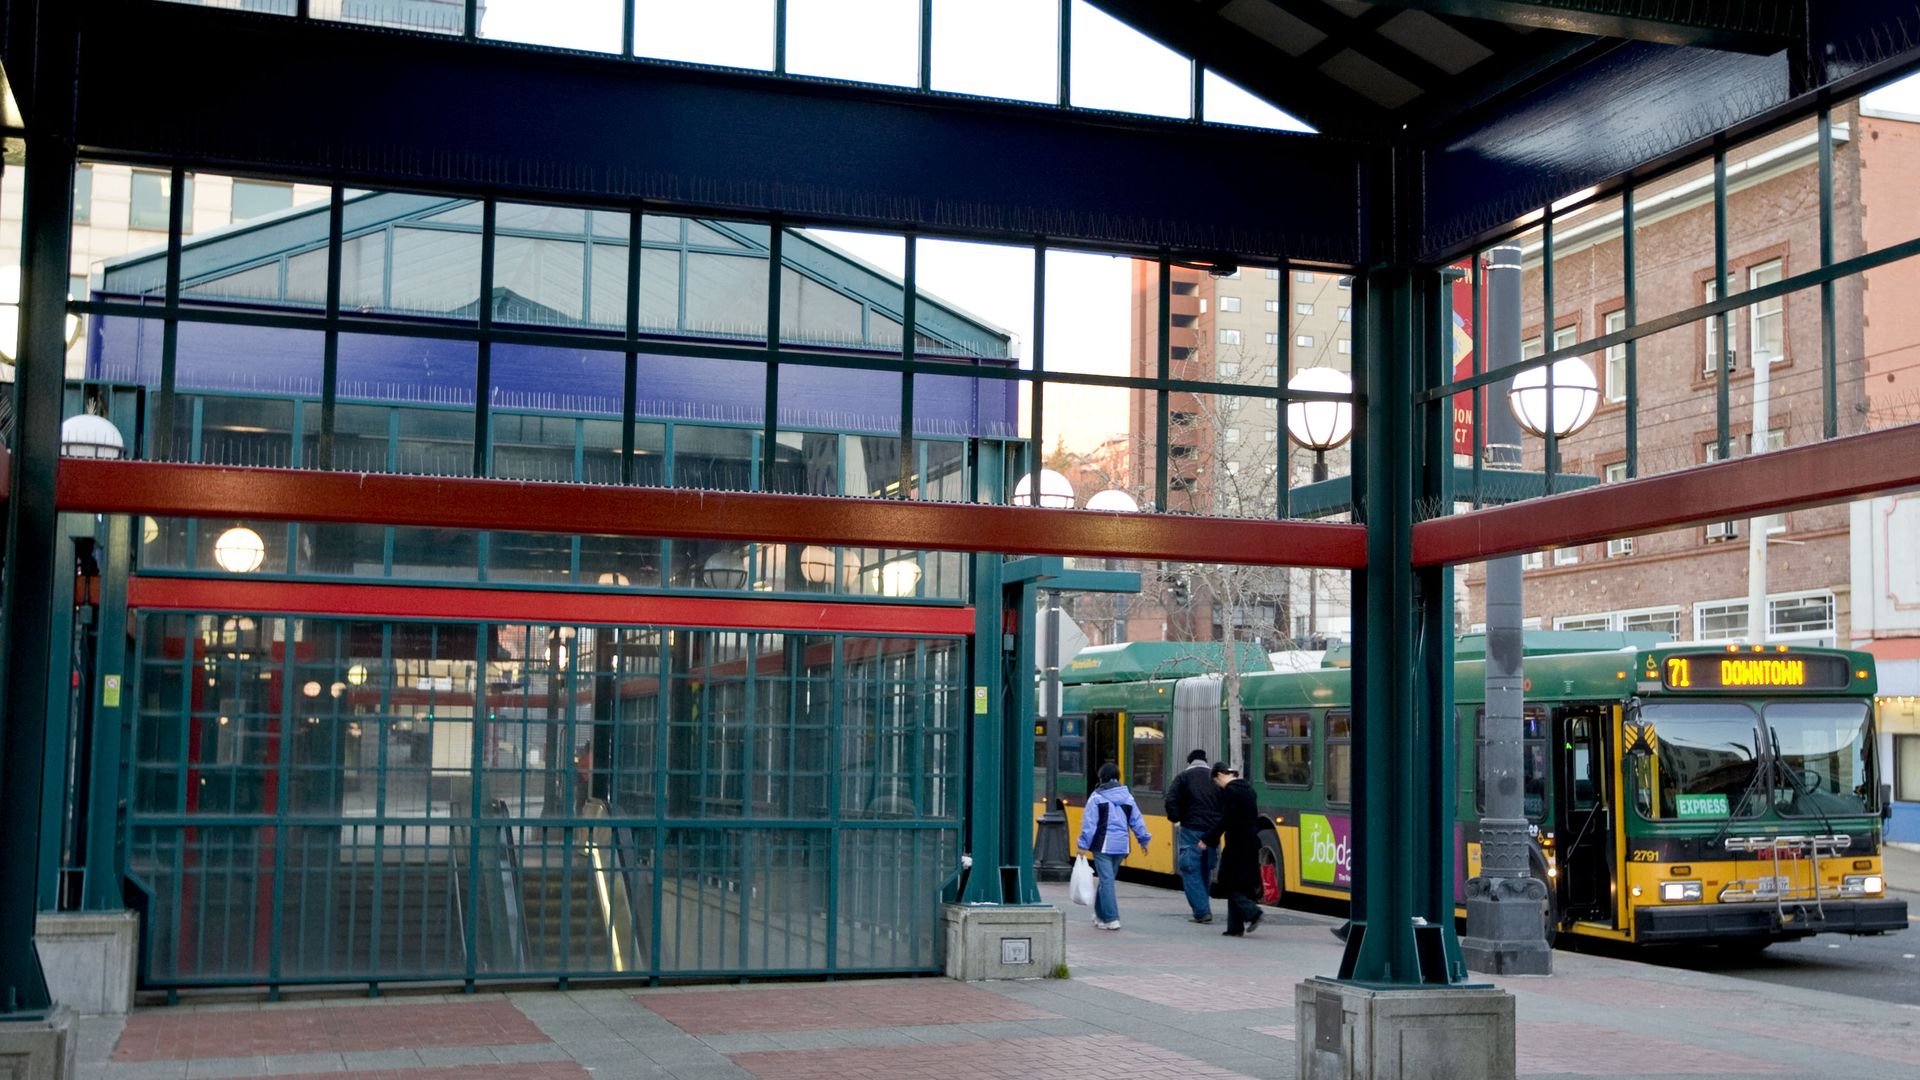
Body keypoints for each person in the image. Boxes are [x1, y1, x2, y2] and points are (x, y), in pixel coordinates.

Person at [1077, 762, 1152, 930]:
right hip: (1122, 846)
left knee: (1107, 881)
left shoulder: (1097, 798)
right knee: (1107, 881)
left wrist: (1082, 845)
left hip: (1103, 845)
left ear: (1101, 778)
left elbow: (1089, 824)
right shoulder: (1128, 797)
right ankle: (1099, 916)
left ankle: (1112, 918)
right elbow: (1137, 821)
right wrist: (1143, 839)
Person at [1163, 748, 1223, 923]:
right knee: (1207, 868)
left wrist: (1176, 819)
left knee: (1190, 869)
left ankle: (1201, 911)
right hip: (1213, 832)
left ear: (1189, 762)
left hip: (1191, 830)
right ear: (1206, 761)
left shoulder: (1183, 777)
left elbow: (1171, 800)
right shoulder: (1216, 778)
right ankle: (1204, 906)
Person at [1207, 762, 1264, 937]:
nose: (1218, 786)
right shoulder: (1248, 789)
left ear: (1219, 776)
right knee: (1240, 884)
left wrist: (1208, 838)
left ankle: (1253, 912)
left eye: (1216, 782)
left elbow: (1227, 819)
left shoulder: (1231, 791)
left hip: (1237, 844)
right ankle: (1235, 927)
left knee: (1229, 883)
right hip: (1250, 843)